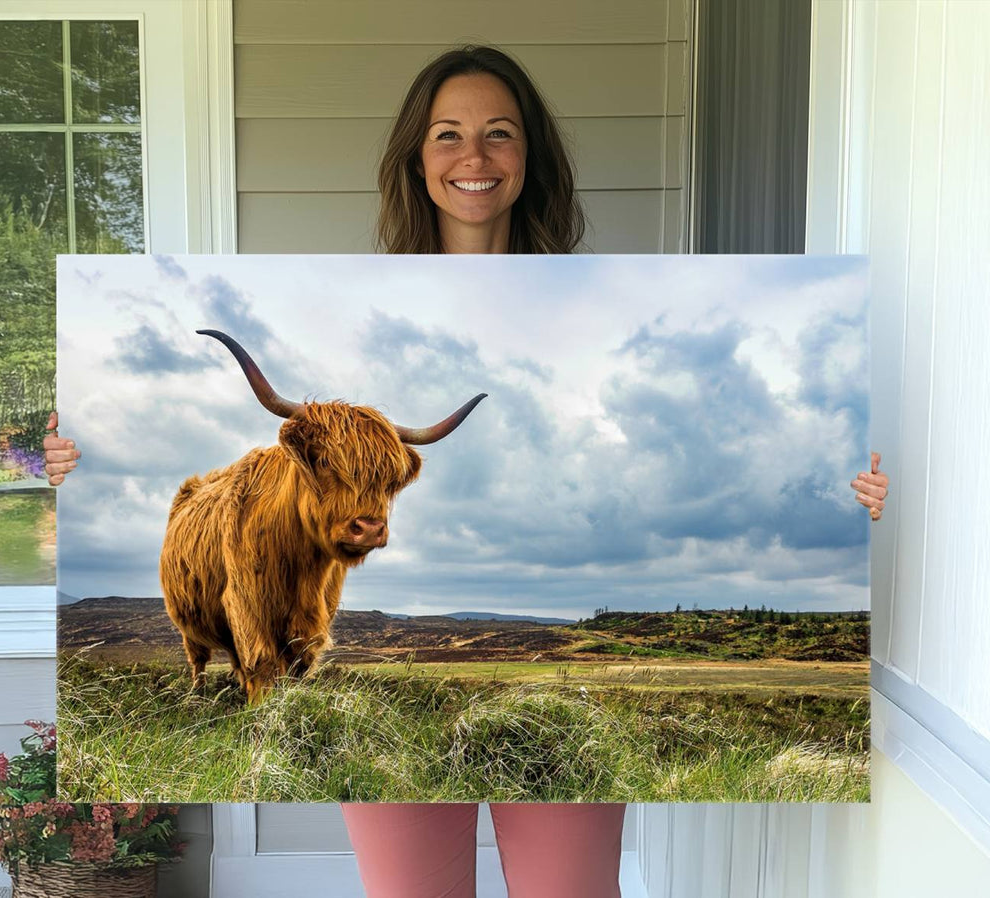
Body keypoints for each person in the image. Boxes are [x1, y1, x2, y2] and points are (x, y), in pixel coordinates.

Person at [44, 45, 888, 898]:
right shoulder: (353, 299)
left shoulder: (612, 297)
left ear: (531, 158)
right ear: (417, 157)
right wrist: (72, 462)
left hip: (559, 693)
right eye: (448, 135)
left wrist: (847, 487)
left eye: (499, 134)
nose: (474, 157)